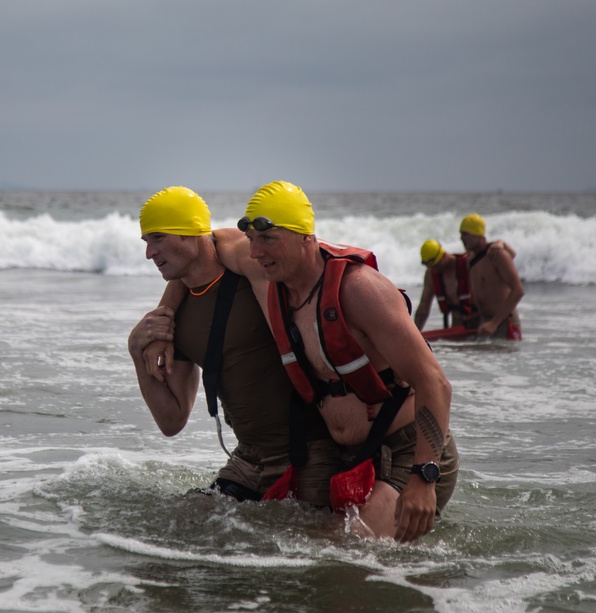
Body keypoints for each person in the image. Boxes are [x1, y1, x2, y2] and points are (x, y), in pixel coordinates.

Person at [155, 181, 459, 543]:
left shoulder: (359, 290)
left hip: (406, 450)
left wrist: (424, 477)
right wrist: (165, 312)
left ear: (306, 237)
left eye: (269, 239)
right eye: (251, 240)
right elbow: (199, 245)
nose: (256, 252)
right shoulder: (271, 282)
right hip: (349, 455)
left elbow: (435, 384)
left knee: (340, 558)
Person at [127, 186, 326, 502]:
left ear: (191, 233)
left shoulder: (255, 269)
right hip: (248, 460)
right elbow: (172, 420)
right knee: (185, 523)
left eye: (158, 238)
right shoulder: (177, 315)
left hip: (311, 452)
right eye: (147, 241)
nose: (149, 253)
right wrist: (137, 351)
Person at [458, 214, 525, 340]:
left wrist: (495, 323)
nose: (461, 238)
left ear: (478, 234)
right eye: (461, 234)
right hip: (485, 322)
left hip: (503, 321)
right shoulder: (471, 258)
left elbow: (518, 291)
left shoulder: (496, 254)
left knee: (504, 359)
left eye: (466, 234)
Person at [413, 239, 475, 331]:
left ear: (444, 255)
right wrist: (414, 333)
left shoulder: (468, 264)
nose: (434, 269)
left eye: (435, 265)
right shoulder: (431, 274)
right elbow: (424, 306)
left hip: (478, 324)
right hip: (456, 326)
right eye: (430, 266)